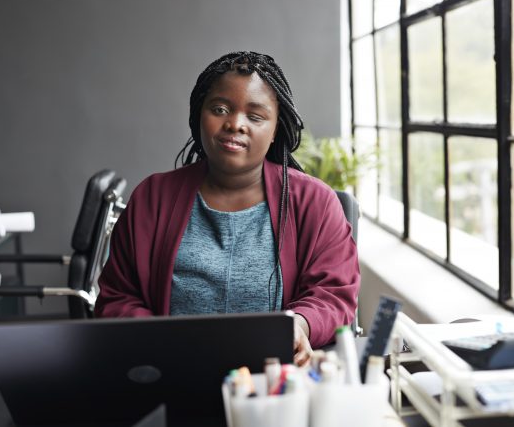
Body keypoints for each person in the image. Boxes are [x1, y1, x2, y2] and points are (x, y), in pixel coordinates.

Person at [95, 51, 360, 366]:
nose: (235, 124)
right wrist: (158, 342)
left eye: (255, 115)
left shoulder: (315, 202)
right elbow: (118, 297)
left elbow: (333, 293)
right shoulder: (152, 198)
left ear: (275, 128)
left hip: (276, 383)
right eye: (220, 109)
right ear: (199, 114)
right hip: (172, 375)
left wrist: (300, 322)